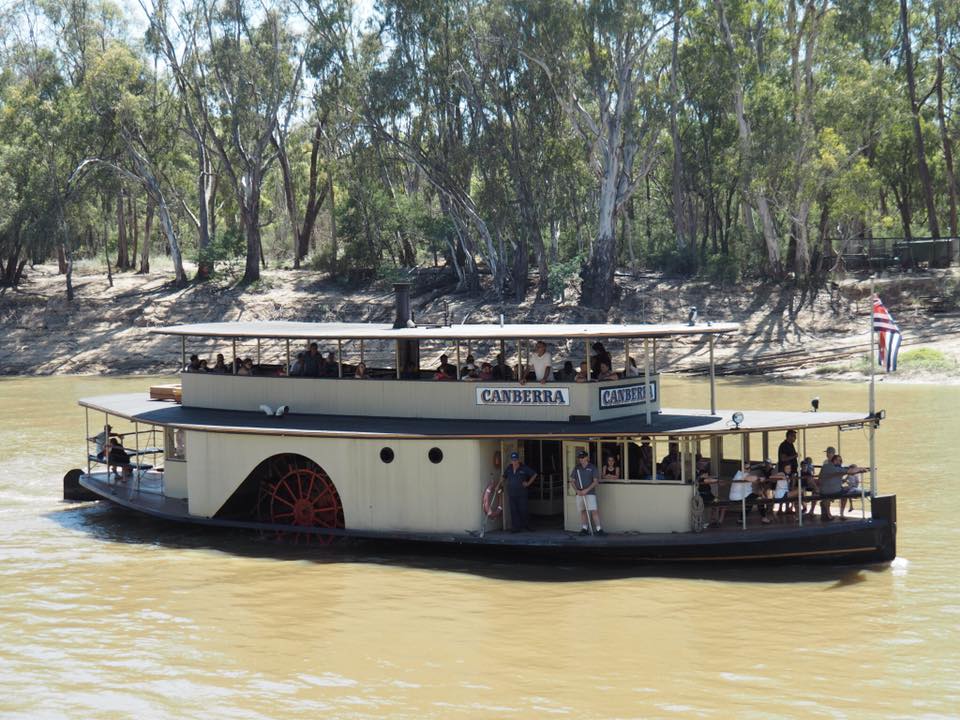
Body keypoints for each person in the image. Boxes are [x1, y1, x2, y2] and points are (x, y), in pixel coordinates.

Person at [570, 450, 605, 536]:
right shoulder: (577, 468)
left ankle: (599, 529)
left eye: (582, 457)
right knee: (583, 511)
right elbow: (572, 481)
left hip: (590, 493)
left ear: (587, 458)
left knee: (594, 511)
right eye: (580, 458)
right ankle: (584, 529)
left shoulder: (592, 467)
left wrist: (586, 490)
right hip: (580, 493)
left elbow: (595, 481)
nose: (581, 459)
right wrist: (577, 491)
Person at [502, 451, 537, 532]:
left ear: (518, 460)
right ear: (511, 460)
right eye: (513, 460)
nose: (514, 461)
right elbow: (504, 477)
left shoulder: (524, 467)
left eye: (516, 460)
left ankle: (527, 526)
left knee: (524, 510)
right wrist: (498, 485)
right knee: (514, 511)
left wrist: (528, 483)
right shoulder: (509, 468)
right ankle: (516, 528)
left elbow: (534, 474)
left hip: (522, 494)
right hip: (511, 494)